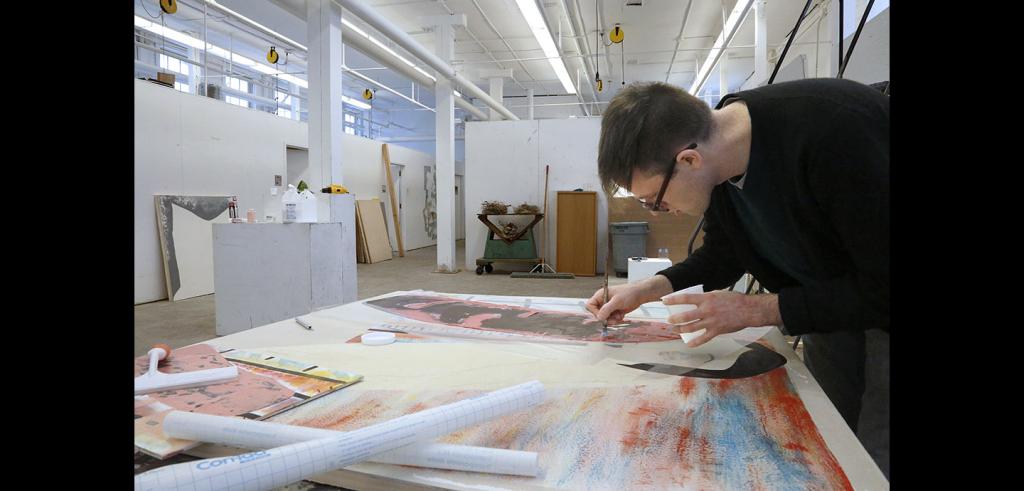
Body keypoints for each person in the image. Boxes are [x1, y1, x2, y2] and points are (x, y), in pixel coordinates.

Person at [585, 78, 889, 477]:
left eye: (655, 200)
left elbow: (884, 286)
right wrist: (645, 289)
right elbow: (724, 255)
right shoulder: (719, 165)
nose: (659, 211)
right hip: (826, 304)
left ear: (688, 160)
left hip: (880, 298)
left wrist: (757, 309)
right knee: (829, 434)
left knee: (875, 451)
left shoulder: (836, 132)